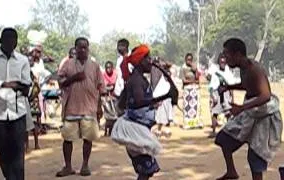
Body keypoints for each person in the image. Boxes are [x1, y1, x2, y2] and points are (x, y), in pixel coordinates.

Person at [215, 38, 283, 180]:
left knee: (255, 156)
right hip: (251, 112)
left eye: (227, 55)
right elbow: (247, 84)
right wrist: (229, 87)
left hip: (265, 116)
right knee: (224, 139)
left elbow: (265, 96)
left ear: (237, 54)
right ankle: (231, 171)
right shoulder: (244, 68)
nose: (225, 59)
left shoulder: (254, 69)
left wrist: (242, 108)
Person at [111, 44, 178, 180]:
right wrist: (164, 97)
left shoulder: (136, 79)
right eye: (147, 58)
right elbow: (139, 101)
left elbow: (124, 103)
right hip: (134, 131)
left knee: (147, 169)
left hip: (137, 129)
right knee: (146, 170)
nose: (150, 61)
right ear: (140, 61)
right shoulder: (136, 80)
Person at [0, 28, 32, 180]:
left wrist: (22, 86)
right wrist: (3, 84)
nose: (11, 43)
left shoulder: (22, 60)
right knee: (3, 153)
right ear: (1, 41)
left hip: (18, 111)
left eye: (14, 40)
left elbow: (26, 82)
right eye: (8, 40)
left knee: (18, 153)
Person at [56, 37, 105, 177]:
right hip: (72, 106)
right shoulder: (68, 64)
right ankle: (68, 166)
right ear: (75, 49)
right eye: (80, 47)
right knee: (67, 139)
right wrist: (74, 78)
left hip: (89, 107)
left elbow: (100, 87)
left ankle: (85, 165)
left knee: (87, 139)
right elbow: (60, 82)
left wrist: (99, 107)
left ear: (88, 49)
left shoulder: (95, 66)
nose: (83, 50)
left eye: (85, 47)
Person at [207, 54, 235, 138]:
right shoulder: (215, 73)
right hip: (217, 94)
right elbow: (211, 86)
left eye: (224, 62)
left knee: (228, 113)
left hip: (226, 94)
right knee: (215, 112)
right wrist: (212, 96)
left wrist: (232, 98)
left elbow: (231, 86)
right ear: (219, 62)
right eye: (221, 62)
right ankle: (214, 131)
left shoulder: (228, 73)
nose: (222, 63)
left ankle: (229, 130)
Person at [180, 53, 201, 129]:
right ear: (185, 60)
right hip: (187, 90)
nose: (189, 61)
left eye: (191, 60)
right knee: (187, 107)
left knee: (195, 107)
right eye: (188, 59)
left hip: (194, 89)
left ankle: (195, 123)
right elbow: (184, 80)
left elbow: (197, 78)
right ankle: (187, 124)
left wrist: (195, 70)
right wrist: (192, 82)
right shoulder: (183, 68)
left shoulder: (193, 67)